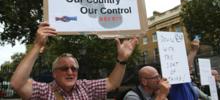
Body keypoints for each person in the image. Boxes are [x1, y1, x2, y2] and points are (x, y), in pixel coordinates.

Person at [10, 22, 138, 100]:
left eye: (74, 68)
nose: (70, 72)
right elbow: (18, 84)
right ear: (54, 73)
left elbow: (112, 83)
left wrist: (121, 60)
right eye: (64, 68)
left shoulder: (86, 87)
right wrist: (38, 45)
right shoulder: (44, 91)